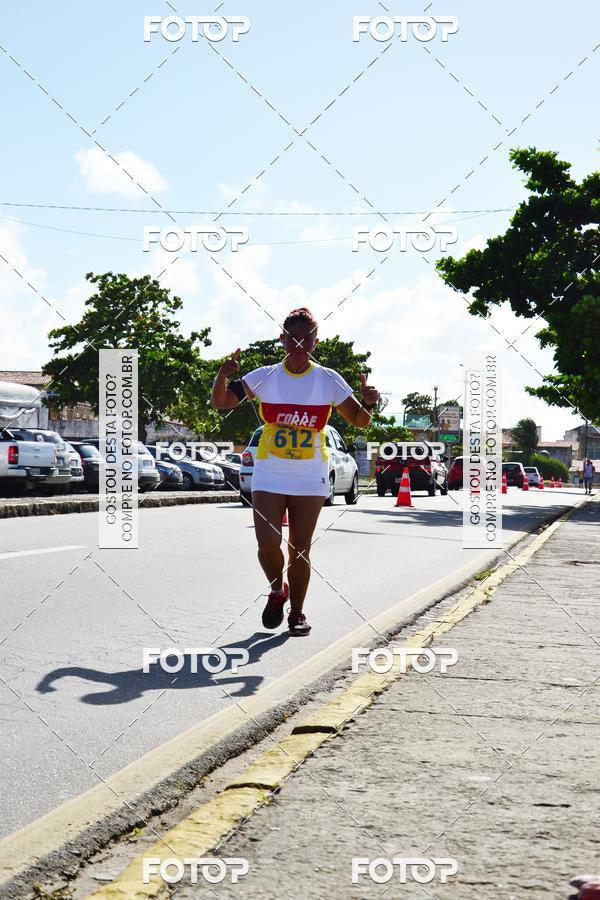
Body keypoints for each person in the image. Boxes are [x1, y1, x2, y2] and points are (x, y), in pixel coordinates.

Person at [211, 307, 379, 636]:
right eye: (292, 338)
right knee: (267, 544)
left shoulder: (328, 379)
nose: (299, 344)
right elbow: (222, 403)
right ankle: (278, 591)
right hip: (270, 472)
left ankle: (298, 613)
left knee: (300, 548)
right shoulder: (264, 376)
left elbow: (360, 420)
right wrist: (223, 374)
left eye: (306, 339)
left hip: (310, 474)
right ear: (282, 339)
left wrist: (370, 402)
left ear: (316, 341)